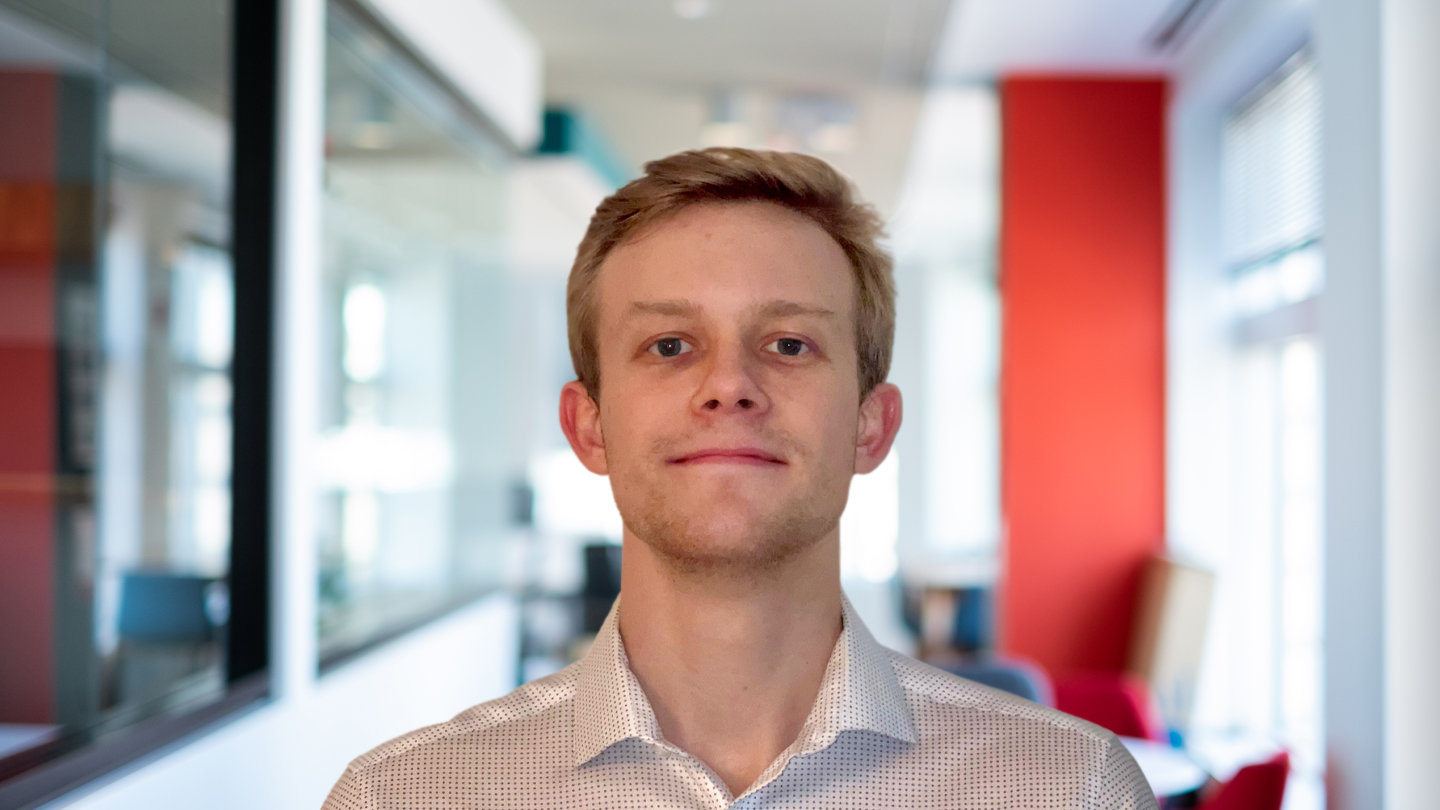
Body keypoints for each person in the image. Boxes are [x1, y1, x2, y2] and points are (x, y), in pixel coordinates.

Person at [322, 148, 1156, 809]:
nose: (728, 385)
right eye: (670, 346)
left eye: (789, 344)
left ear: (871, 426)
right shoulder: (402, 798)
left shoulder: (1071, 790)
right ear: (589, 426)